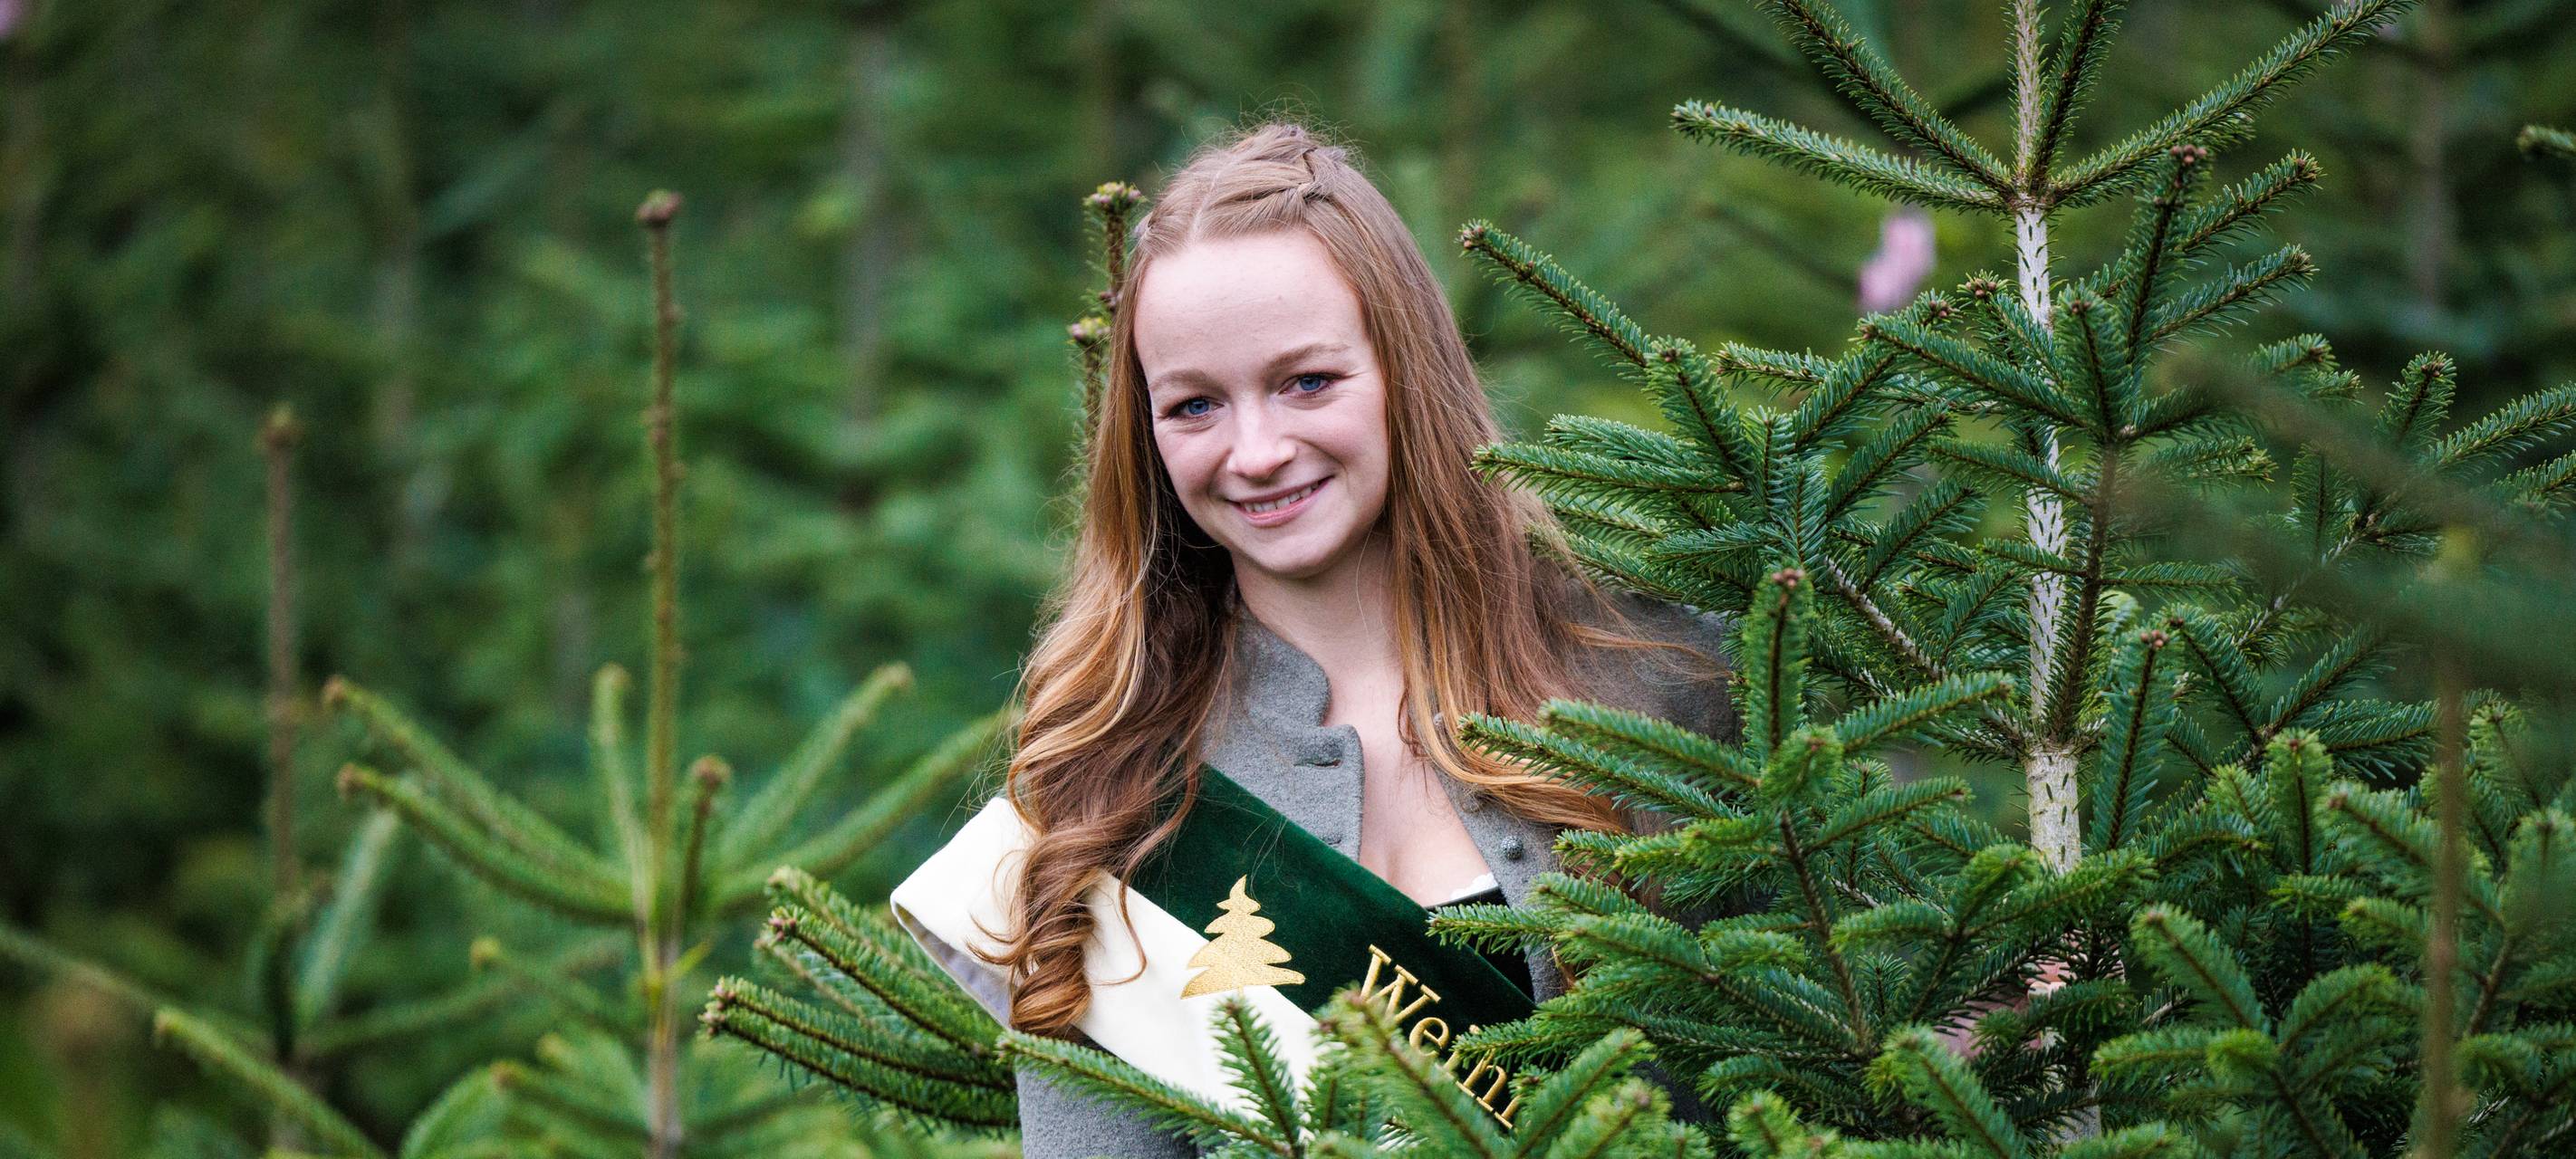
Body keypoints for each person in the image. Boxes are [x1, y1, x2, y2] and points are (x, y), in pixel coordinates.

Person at [891, 120, 1738, 1157]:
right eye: (1195, 403)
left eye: (1307, 381)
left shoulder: (1665, 685)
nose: (1256, 451)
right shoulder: (1108, 788)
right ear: (1147, 434)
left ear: (1403, 371)